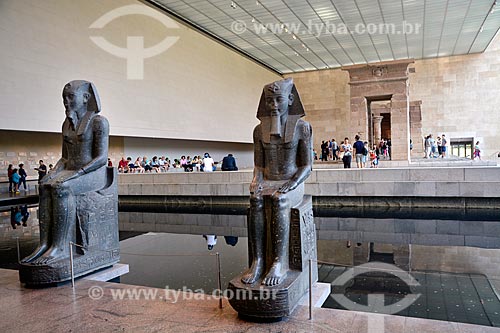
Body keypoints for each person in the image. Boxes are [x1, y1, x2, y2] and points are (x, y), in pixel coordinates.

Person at [21, 80, 110, 265]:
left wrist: (78, 173)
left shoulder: (98, 122)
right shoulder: (67, 124)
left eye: (70, 97)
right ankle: (45, 244)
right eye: (64, 98)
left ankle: (60, 247)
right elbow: (65, 158)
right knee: (45, 186)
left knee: (62, 188)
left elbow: (101, 158)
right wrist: (53, 172)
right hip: (73, 170)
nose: (66, 102)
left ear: (86, 98)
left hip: (94, 174)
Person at [242, 78, 312, 286]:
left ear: (290, 100)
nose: (273, 106)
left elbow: (306, 166)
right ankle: (258, 261)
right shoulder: (258, 131)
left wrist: (293, 182)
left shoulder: (302, 127)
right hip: (270, 180)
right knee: (256, 200)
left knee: (279, 200)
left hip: (292, 182)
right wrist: (256, 181)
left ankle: (279, 263)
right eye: (269, 101)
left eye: (278, 100)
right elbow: (259, 165)